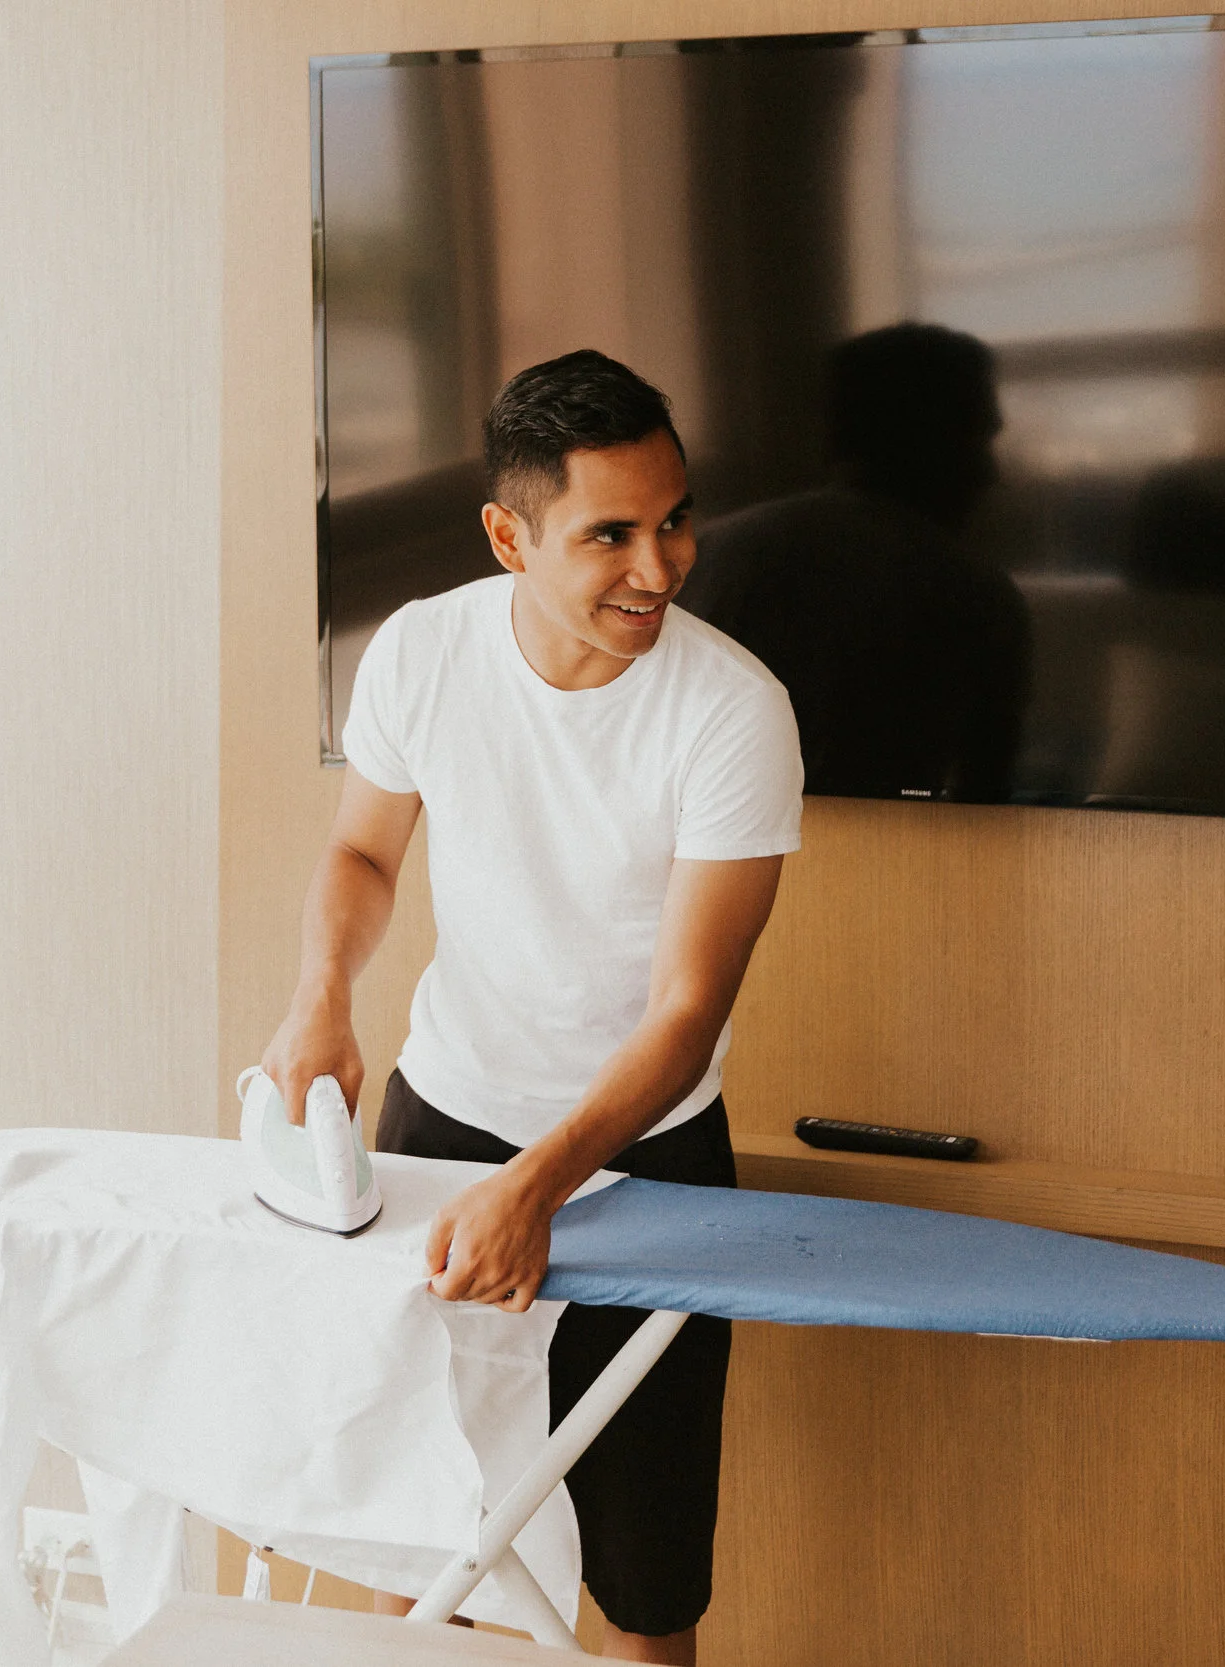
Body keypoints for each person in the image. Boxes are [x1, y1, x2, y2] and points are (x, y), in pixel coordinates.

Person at [262, 349, 803, 1664]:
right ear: (509, 536)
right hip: (444, 1126)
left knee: (645, 1584)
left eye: (675, 518)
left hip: (649, 1155)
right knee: (424, 1546)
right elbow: (363, 853)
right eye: (610, 533)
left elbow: (687, 1009)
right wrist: (321, 998)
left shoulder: (734, 711)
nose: (659, 566)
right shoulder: (423, 648)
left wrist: (541, 1185)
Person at [694, 322, 1029, 802]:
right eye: (979, 439)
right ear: (934, 440)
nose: (991, 474)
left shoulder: (703, 556)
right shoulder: (974, 594)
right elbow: (987, 803)